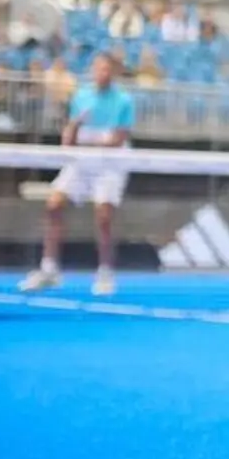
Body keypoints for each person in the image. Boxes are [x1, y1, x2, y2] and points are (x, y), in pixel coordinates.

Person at [21, 52, 137, 297]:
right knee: (54, 204)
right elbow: (69, 140)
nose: (101, 73)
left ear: (113, 73)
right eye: (98, 68)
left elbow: (118, 140)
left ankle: (105, 273)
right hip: (82, 161)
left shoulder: (124, 101)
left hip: (109, 164)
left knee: (103, 216)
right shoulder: (81, 96)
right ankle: (49, 269)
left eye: (106, 69)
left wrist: (90, 143)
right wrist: (74, 127)